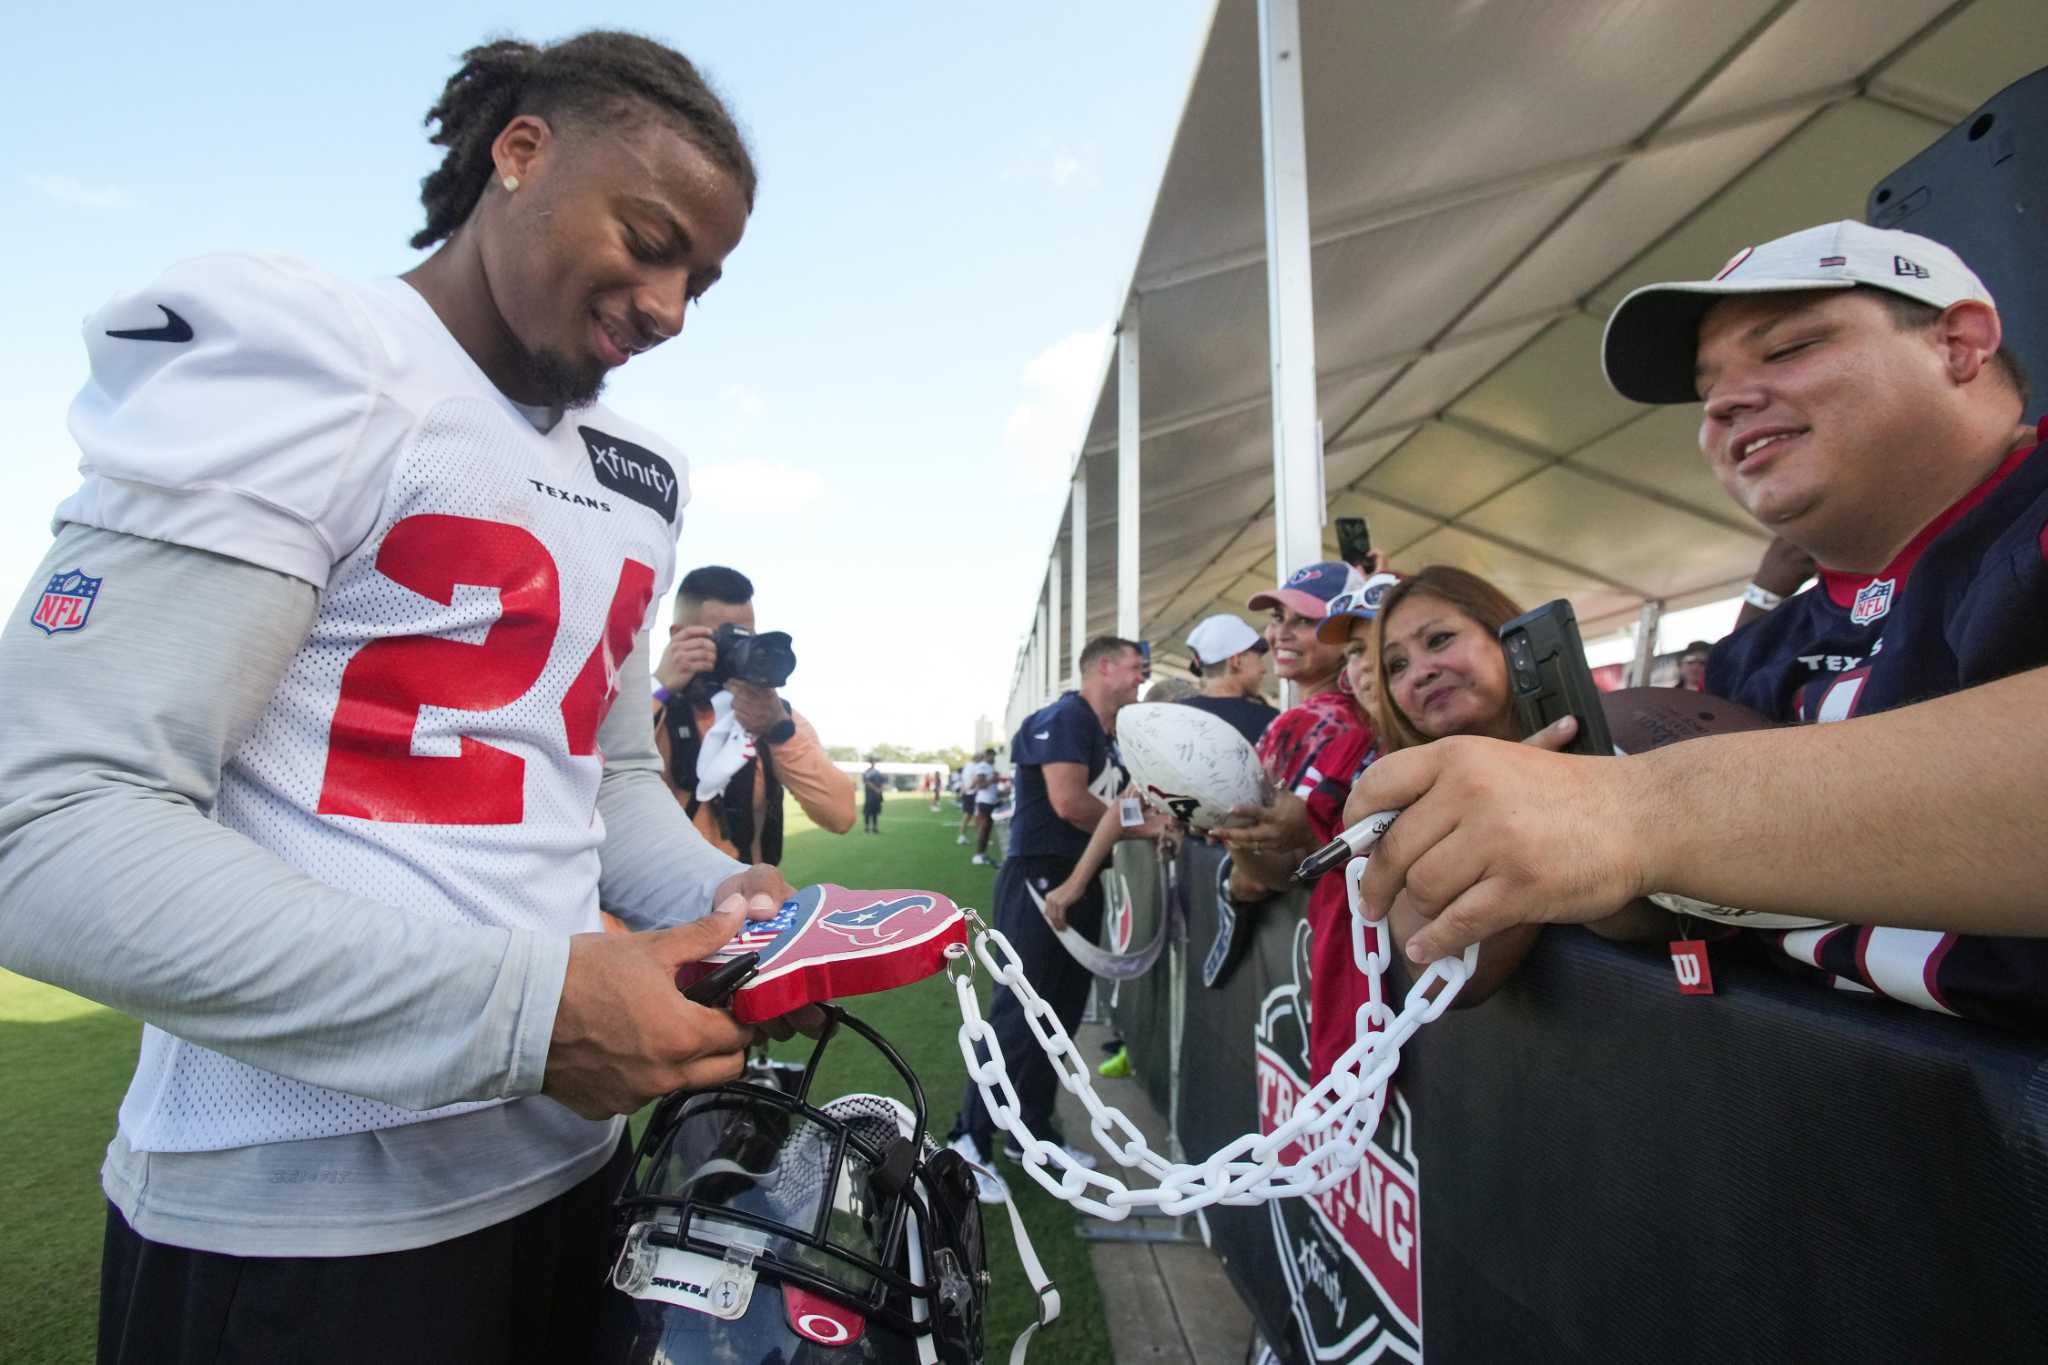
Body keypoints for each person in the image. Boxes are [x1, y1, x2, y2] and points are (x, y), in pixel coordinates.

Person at [0, 32, 810, 1363]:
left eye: (701, 283)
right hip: (302, 1217)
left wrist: (717, 902)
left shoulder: (633, 469)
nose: (669, 307)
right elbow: (49, 819)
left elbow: (592, 778)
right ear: (521, 151)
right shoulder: (317, 348)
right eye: (651, 239)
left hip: (572, 1171)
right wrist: (531, 1012)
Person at [1346, 221, 2048, 1034]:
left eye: (1787, 349)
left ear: (1960, 343)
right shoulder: (1757, 654)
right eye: (1709, 384)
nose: (1724, 400)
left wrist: (1635, 813)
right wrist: (1564, 856)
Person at [948, 636, 1146, 1199]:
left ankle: (1028, 1131)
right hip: (1041, 880)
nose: (1141, 679)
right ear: (1103, 667)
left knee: (1058, 1019)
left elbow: (1108, 806)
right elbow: (1069, 803)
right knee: (1018, 1014)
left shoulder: (1107, 733)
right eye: (1134, 668)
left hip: (1077, 882)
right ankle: (969, 1141)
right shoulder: (1065, 716)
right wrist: (1145, 827)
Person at [652, 565, 854, 861]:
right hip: (654, 902)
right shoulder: (648, 705)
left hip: (743, 900)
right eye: (722, 638)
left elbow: (840, 815)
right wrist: (660, 687)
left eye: (744, 637)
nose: (735, 650)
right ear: (678, 635)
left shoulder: (774, 714)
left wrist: (779, 731)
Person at [1179, 612, 1278, 746]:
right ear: (1236, 661)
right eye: (1258, 658)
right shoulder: (1269, 722)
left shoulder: (1175, 714)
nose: (1263, 669)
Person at [966, 747, 1002, 866]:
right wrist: (992, 780)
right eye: (992, 756)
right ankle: (978, 855)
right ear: (987, 755)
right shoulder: (982, 766)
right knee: (984, 827)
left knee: (987, 828)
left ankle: (982, 854)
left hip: (990, 801)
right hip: (984, 801)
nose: (994, 758)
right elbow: (980, 785)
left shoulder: (989, 767)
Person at [861, 758, 886, 833]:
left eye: (874, 762)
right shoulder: (867, 772)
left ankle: (875, 827)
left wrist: (880, 789)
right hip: (869, 795)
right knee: (867, 812)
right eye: (872, 762)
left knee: (875, 812)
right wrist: (876, 789)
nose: (873, 763)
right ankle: (867, 827)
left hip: (877, 796)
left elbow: (882, 782)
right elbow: (867, 782)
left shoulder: (878, 772)